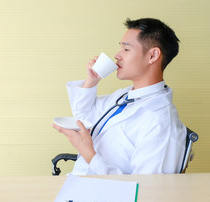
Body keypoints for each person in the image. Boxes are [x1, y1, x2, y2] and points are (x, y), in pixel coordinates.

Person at [52, 18, 186, 175]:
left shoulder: (161, 123)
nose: (117, 55)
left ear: (152, 56)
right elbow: (84, 118)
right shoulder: (126, 96)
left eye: (126, 49)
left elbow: (147, 190)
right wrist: (91, 82)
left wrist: (89, 154)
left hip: (101, 196)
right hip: (81, 185)